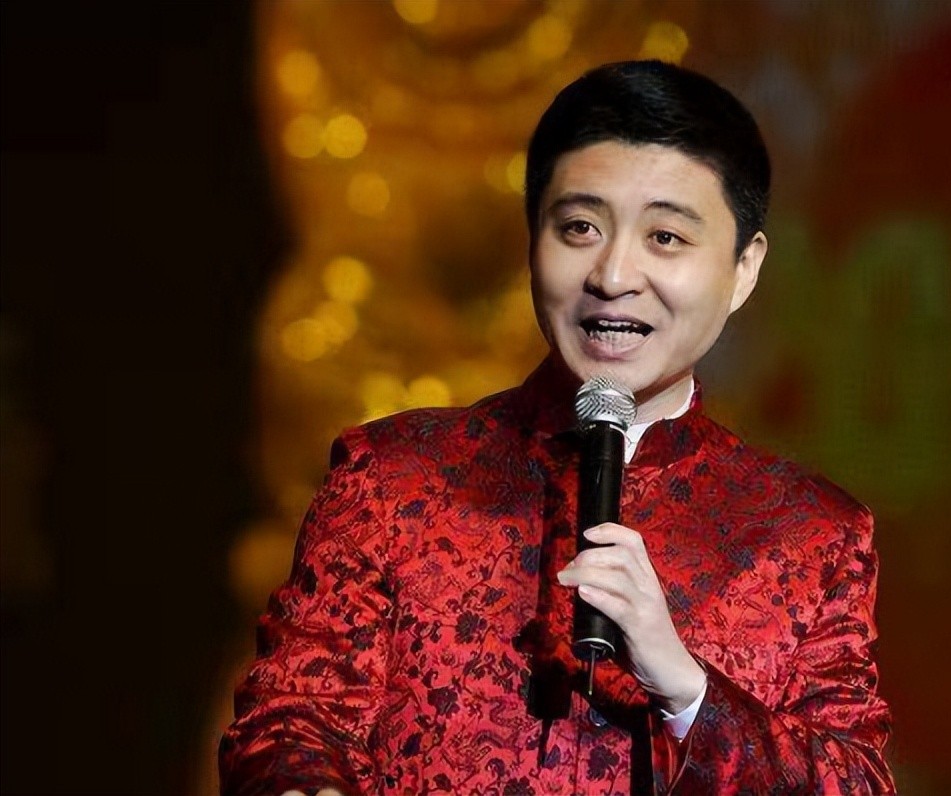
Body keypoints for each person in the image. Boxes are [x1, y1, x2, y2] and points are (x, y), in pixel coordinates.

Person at [219, 60, 895, 795]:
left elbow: (855, 782)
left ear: (744, 269)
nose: (613, 275)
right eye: (580, 228)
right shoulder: (391, 480)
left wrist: (687, 689)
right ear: (532, 240)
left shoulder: (811, 537)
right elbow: (291, 722)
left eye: (666, 238)